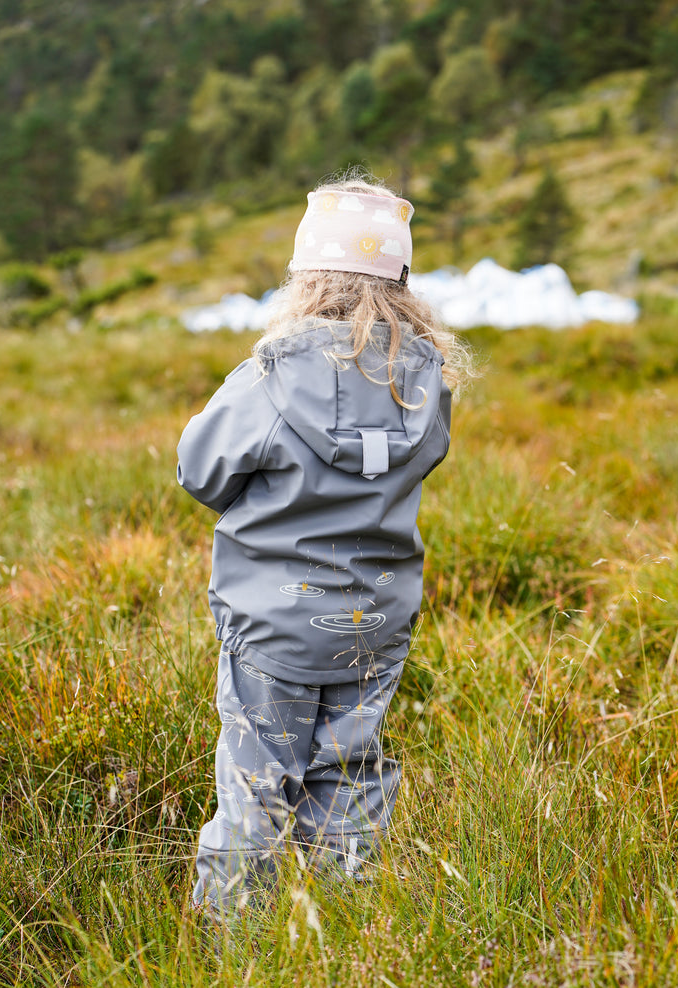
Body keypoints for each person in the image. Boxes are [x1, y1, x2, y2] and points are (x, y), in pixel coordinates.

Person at [176, 172, 473, 921]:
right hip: (376, 623)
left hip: (274, 627)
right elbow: (419, 457)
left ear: (307, 274)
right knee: (351, 780)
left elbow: (199, 470)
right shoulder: (429, 379)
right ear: (401, 278)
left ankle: (233, 952)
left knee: (254, 786)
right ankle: (344, 935)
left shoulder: (271, 377)